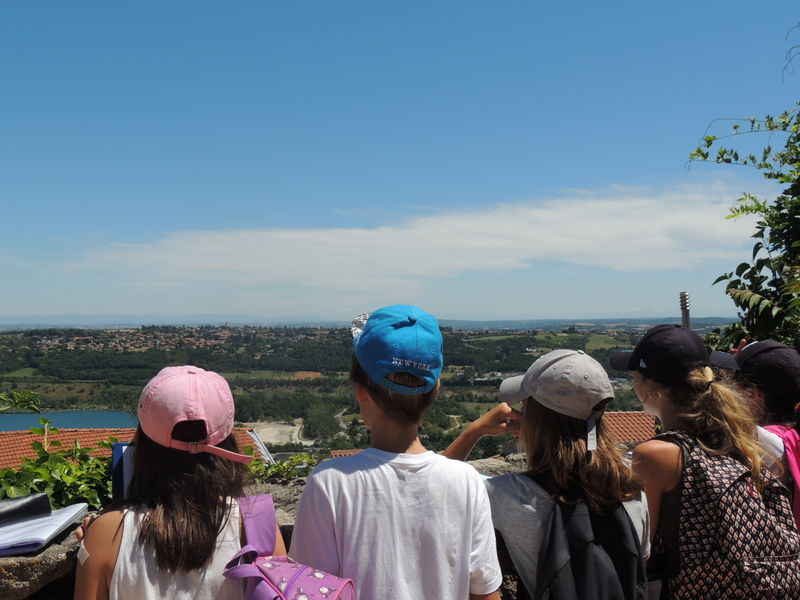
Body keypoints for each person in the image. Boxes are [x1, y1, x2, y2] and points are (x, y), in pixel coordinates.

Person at [289, 305, 502, 600]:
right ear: (435, 389)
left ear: (360, 390)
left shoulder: (330, 482)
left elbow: (310, 591)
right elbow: (485, 592)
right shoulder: (467, 481)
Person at [611, 324, 800, 599]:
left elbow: (642, 548)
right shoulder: (736, 437)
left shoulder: (656, 454)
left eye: (634, 375)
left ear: (652, 388)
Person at [444, 349, 650, 599]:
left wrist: (475, 430)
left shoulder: (508, 494)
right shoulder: (630, 483)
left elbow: (436, 485)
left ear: (535, 418)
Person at [74, 365, 286, 600]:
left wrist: (96, 540)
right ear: (226, 444)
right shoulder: (259, 527)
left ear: (143, 443)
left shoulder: (106, 534)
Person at [710, 340, 800, 526]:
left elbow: (707, 407)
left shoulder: (760, 442)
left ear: (752, 394)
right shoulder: (793, 436)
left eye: (732, 383)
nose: (728, 390)